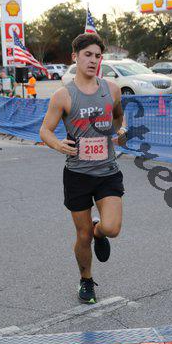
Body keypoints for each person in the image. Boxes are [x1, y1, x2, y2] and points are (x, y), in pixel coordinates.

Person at [39, 33, 127, 304]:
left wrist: (120, 131)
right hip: (77, 175)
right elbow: (45, 130)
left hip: (107, 171)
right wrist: (57, 144)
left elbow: (118, 117)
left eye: (97, 56)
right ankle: (86, 280)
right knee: (82, 234)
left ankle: (99, 231)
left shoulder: (112, 89)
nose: (93, 60)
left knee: (111, 228)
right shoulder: (63, 96)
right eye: (87, 55)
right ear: (74, 57)